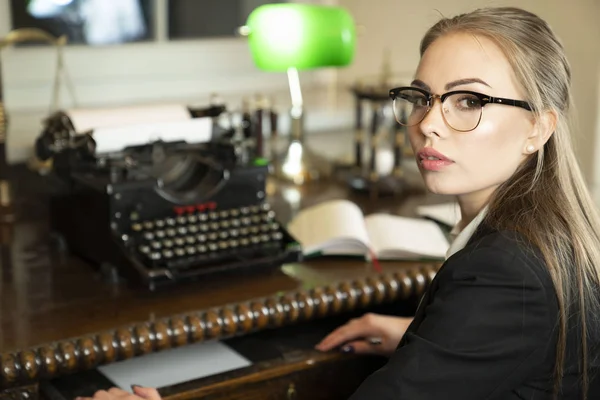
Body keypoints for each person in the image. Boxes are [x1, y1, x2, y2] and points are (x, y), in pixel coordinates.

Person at [76, 6, 600, 400]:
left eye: (469, 100)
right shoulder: (542, 234)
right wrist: (427, 339)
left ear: (538, 127)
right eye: (422, 96)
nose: (428, 123)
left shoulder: (506, 271)